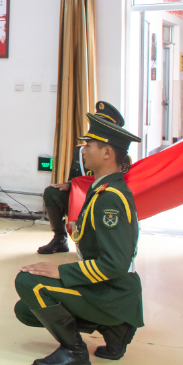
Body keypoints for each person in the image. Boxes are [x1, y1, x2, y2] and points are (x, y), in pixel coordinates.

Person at [14, 112, 143, 365]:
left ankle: (74, 352)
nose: (83, 150)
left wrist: (62, 271)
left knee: (27, 283)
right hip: (109, 289)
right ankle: (114, 328)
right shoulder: (103, 188)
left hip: (113, 292)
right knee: (27, 309)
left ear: (107, 153)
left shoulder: (110, 197)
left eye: (89, 145)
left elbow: (114, 264)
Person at [39, 101, 125, 254]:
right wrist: (69, 184)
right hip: (82, 198)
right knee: (52, 192)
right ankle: (60, 238)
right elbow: (75, 178)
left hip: (105, 199)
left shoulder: (120, 157)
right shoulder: (80, 151)